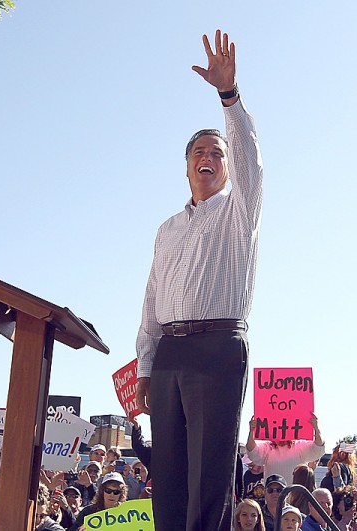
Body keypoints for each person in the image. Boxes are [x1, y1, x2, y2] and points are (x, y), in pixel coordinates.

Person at [134, 29, 263, 531]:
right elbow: (151, 300)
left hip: (217, 349)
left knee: (209, 480)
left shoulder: (239, 211)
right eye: (199, 153)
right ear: (187, 167)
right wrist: (146, 366)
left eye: (217, 153)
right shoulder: (167, 229)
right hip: (168, 354)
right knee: (168, 479)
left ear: (227, 168)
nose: (208, 158)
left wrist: (229, 97)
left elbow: (250, 160)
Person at [246, 414, 326, 482]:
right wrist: (251, 432)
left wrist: (316, 428)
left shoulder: (299, 446)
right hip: (274, 494)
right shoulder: (267, 448)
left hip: (296, 496)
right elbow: (252, 451)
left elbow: (318, 447)